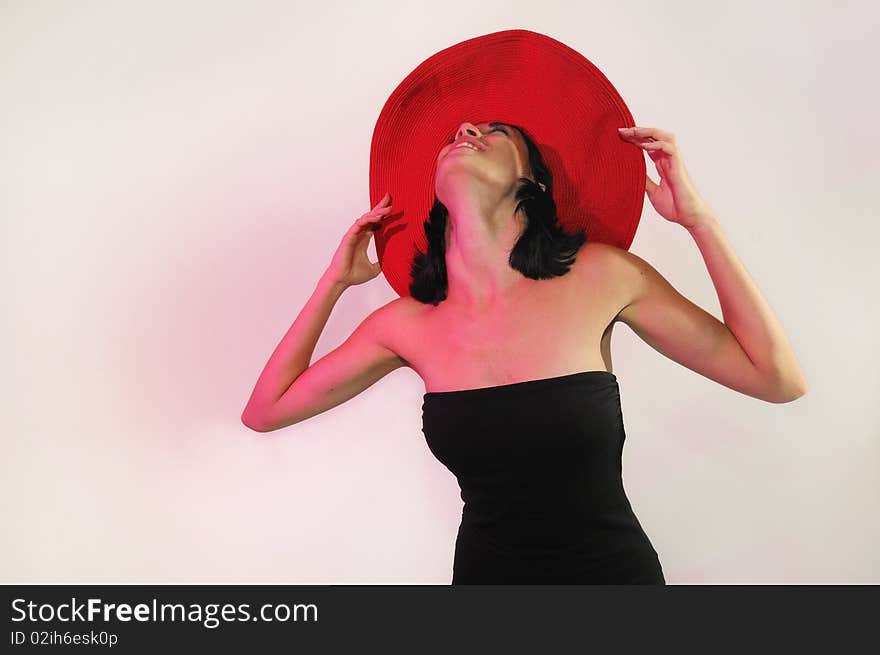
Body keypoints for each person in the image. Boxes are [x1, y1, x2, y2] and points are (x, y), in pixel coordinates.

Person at [241, 31, 808, 584]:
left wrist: (699, 222)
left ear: (531, 178)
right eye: (455, 134)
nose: (465, 130)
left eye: (493, 130)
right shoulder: (405, 326)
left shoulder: (603, 276)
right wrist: (334, 282)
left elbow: (776, 377)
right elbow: (265, 410)